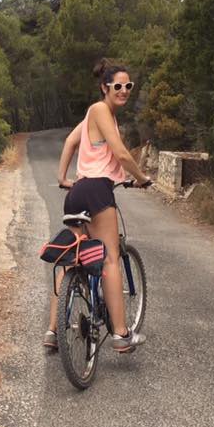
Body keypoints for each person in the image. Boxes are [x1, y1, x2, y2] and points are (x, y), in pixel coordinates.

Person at [43, 59, 152, 353]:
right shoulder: (102, 110)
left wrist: (63, 178)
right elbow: (121, 153)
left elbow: (69, 141)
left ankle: (53, 331)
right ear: (105, 87)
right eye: (118, 86)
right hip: (96, 190)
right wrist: (141, 178)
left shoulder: (95, 115)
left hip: (77, 192)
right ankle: (120, 334)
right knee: (110, 259)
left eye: (128, 86)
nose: (124, 90)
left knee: (73, 258)